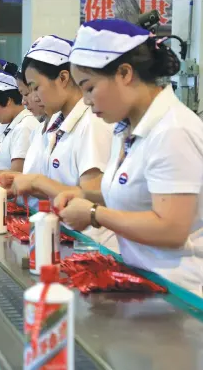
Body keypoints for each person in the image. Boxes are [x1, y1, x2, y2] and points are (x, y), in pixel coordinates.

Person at [53, 19, 203, 292]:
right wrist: (83, 196)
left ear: (124, 73)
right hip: (146, 279)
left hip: (182, 292)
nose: (86, 101)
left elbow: (171, 229)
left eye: (89, 88)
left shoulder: (173, 131)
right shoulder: (128, 128)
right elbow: (136, 191)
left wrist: (95, 214)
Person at [1, 35, 116, 249]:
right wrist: (25, 183)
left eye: (36, 87)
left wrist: (36, 181)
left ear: (63, 78)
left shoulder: (93, 122)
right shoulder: (58, 121)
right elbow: (62, 187)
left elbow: (91, 196)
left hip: (90, 245)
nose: (33, 97)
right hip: (64, 237)